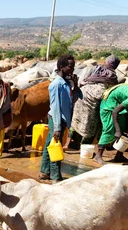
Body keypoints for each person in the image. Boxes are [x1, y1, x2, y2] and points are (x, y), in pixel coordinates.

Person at [39, 54, 82, 182]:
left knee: (49, 145)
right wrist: (57, 127)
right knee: (56, 147)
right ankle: (55, 176)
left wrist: (75, 84)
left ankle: (44, 172)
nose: (72, 69)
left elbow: (77, 97)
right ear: (62, 67)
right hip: (57, 119)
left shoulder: (66, 83)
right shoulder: (56, 85)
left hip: (62, 119)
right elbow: (56, 107)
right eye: (70, 67)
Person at [67, 55, 121, 148]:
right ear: (115, 65)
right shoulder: (112, 75)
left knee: (76, 120)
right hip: (93, 99)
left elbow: (85, 80)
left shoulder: (99, 69)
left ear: (107, 62)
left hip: (81, 94)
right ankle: (84, 147)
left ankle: (69, 144)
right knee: (90, 124)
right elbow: (110, 91)